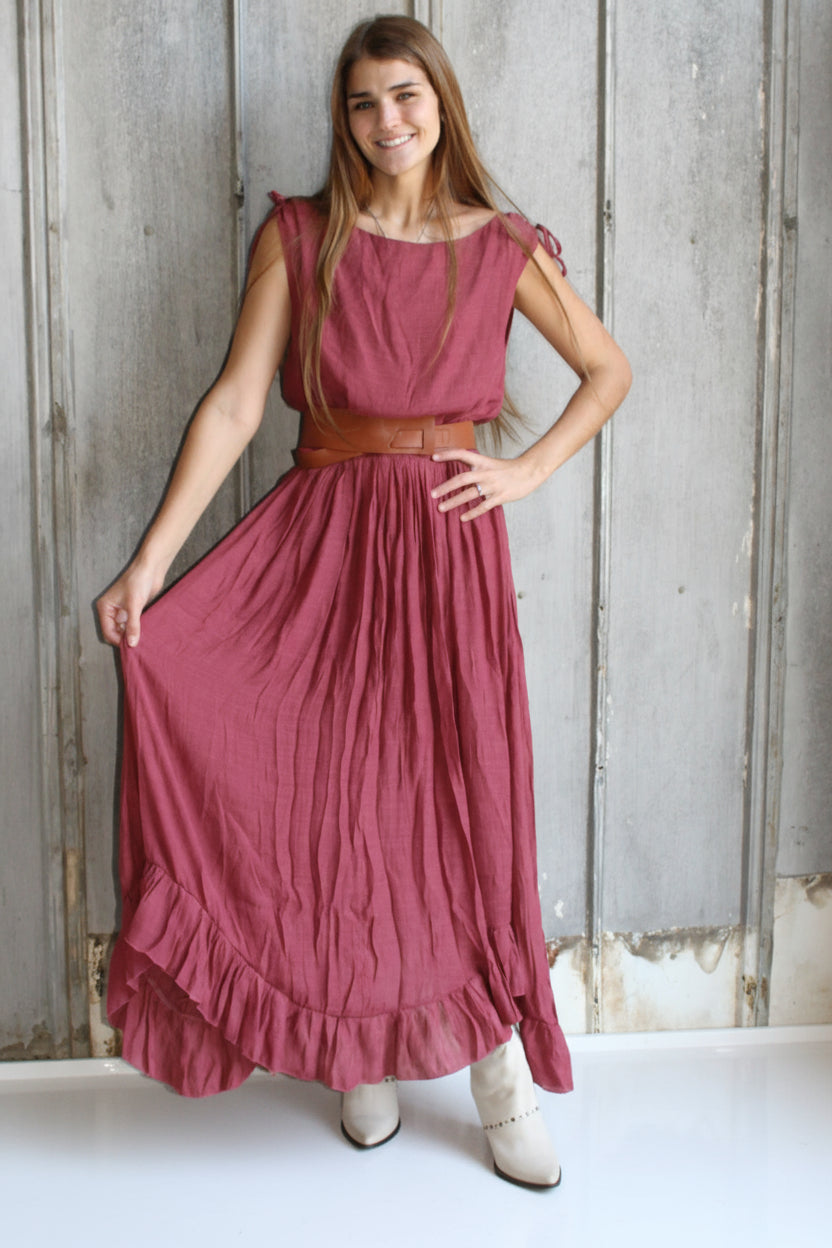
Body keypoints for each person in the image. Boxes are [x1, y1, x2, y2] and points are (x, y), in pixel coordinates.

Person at [97, 15, 630, 1192]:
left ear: (440, 101)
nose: (386, 121)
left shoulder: (500, 244)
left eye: (405, 95)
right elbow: (238, 408)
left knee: (457, 810)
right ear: (343, 120)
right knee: (334, 808)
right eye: (362, 103)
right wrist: (148, 566)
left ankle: (498, 1082)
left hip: (444, 559)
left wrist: (526, 469)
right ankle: (360, 1059)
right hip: (317, 558)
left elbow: (608, 369)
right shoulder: (301, 236)